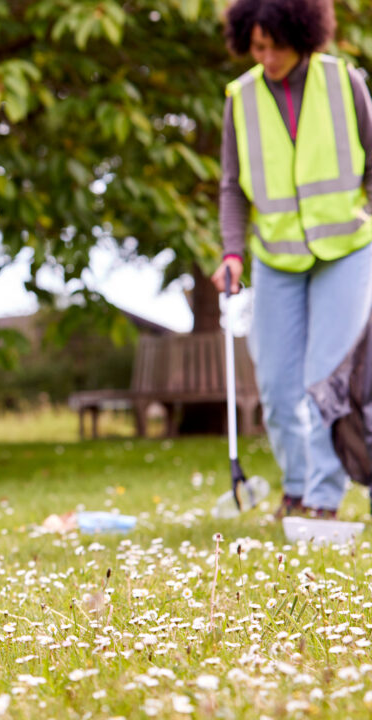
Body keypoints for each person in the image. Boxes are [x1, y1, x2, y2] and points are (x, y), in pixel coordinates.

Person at [212, 0, 372, 519]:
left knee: (324, 378)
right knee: (278, 386)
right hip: (276, 257)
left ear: (303, 35)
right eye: (257, 46)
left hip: (344, 250)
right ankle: (296, 488)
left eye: (276, 45)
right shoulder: (241, 98)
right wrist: (233, 251)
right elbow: (233, 187)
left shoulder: (345, 83)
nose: (268, 56)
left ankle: (324, 500)